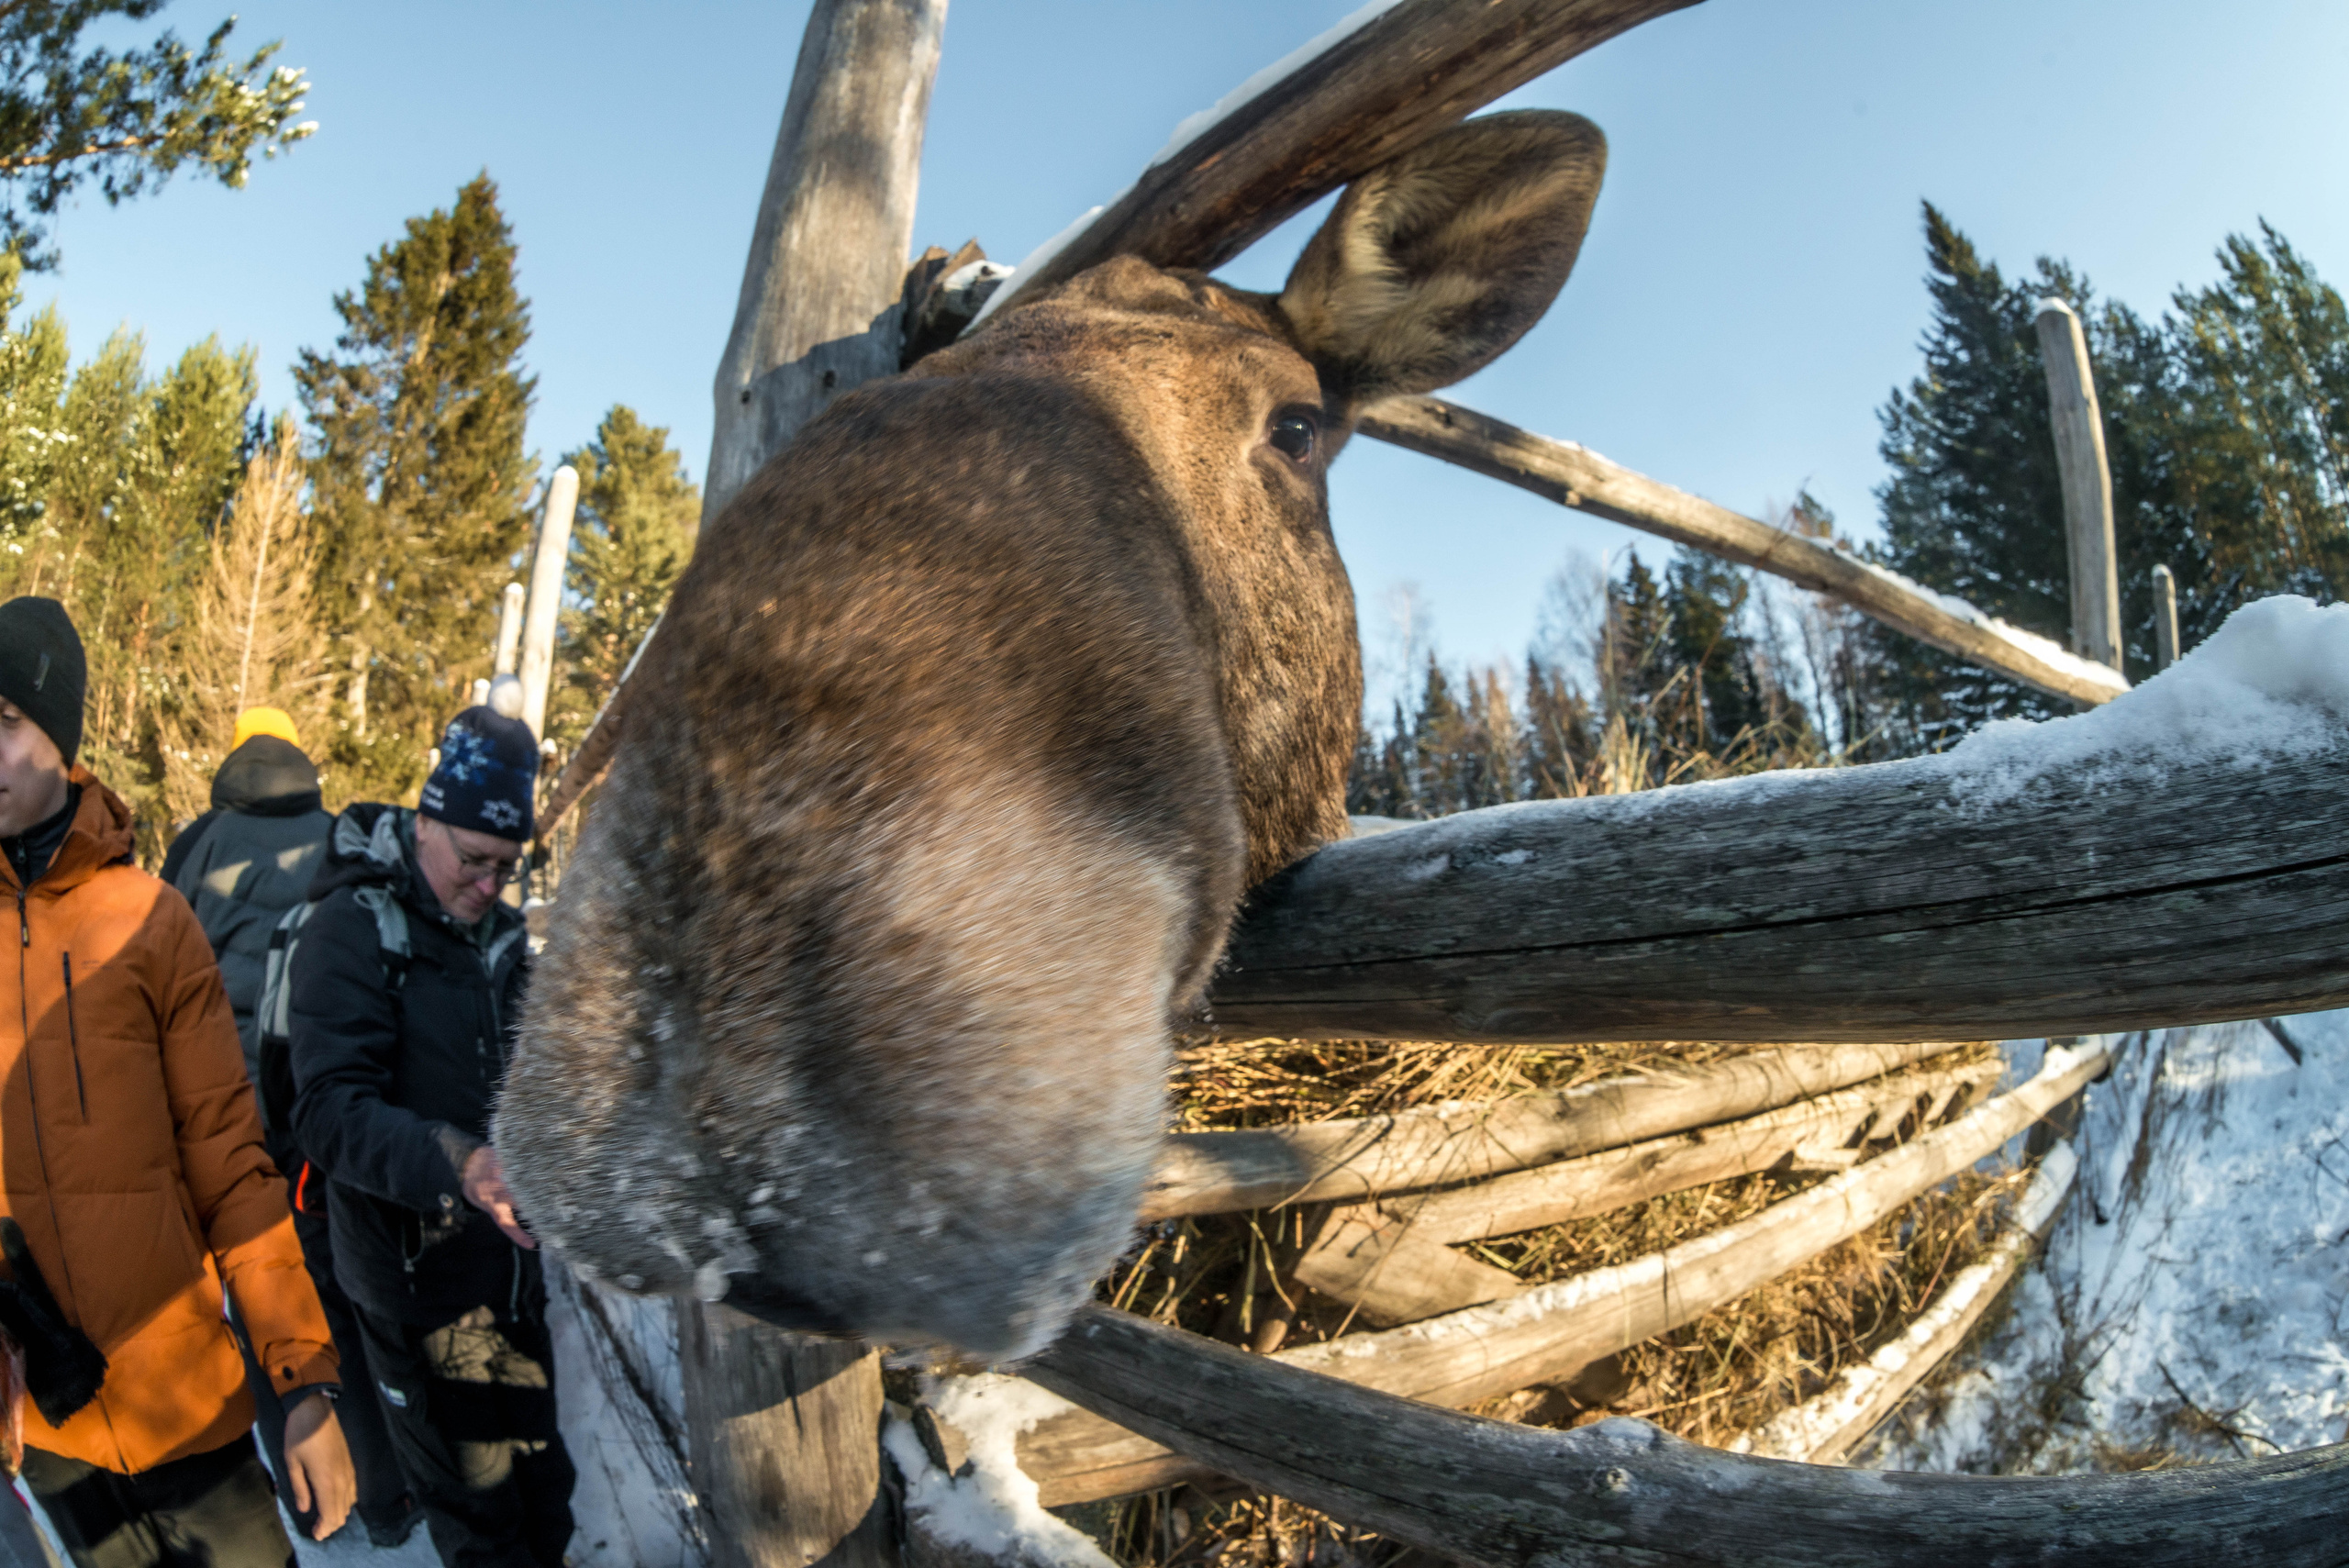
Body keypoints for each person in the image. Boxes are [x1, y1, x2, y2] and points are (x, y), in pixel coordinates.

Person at [0, 596, 355, 1566]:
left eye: (5, 721)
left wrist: (305, 1381)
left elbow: (234, 1168)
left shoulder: (153, 921)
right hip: (51, 1418)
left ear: (63, 739)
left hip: (184, 1400)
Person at [289, 706, 573, 1568]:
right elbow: (329, 1110)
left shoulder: (501, 938)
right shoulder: (351, 927)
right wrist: (460, 1162)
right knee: (480, 1520)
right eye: (474, 861)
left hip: (508, 1277)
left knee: (545, 1501)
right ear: (425, 823)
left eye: (508, 867)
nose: (490, 885)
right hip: (416, 1290)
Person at [161, 706, 419, 1549]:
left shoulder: (197, 843)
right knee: (338, 1293)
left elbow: (153, 969)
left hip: (220, 1113)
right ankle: (385, 1495)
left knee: (260, 1297)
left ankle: (313, 1508)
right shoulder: (336, 836)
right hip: (311, 1104)